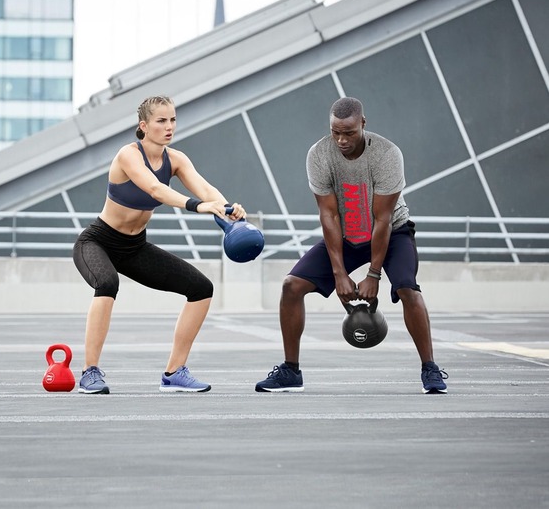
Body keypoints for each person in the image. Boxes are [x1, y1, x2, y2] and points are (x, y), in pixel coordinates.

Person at [255, 97, 448, 394]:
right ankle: (291, 371)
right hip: (346, 236)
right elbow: (328, 214)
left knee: (407, 288)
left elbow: (382, 219)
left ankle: (430, 369)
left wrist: (373, 275)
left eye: (349, 132)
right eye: (336, 132)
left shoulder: (387, 154)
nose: (342, 140)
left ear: (363, 124)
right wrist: (338, 273)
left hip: (392, 232)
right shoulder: (319, 154)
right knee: (291, 286)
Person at [72, 95, 246, 394]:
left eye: (173, 120)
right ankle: (90, 371)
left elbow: (204, 188)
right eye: (161, 121)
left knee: (201, 288)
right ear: (144, 125)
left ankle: (174, 372)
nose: (169, 127)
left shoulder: (176, 159)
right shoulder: (128, 155)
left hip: (134, 248)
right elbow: (155, 188)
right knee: (107, 283)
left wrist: (227, 207)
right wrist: (197, 206)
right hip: (98, 241)